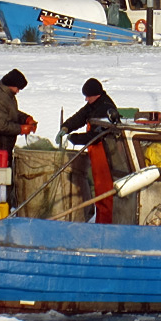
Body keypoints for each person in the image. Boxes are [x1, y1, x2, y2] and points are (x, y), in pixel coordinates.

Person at [55, 78, 118, 223]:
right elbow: (81, 116)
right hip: (96, 156)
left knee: (104, 193)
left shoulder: (105, 109)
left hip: (105, 155)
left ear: (96, 94)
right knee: (99, 191)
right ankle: (100, 222)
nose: (86, 99)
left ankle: (105, 225)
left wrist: (74, 138)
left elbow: (95, 136)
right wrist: (66, 127)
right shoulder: (94, 104)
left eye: (87, 96)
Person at [0, 69, 36, 162]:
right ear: (11, 84)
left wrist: (26, 119)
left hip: (2, 149)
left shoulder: (7, 95)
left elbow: (10, 112)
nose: (18, 91)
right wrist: (21, 129)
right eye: (18, 88)